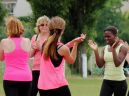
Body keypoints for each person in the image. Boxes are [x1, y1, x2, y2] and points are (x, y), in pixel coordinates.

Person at [30, 15, 86, 96]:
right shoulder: (61, 48)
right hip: (58, 86)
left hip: (43, 87)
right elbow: (71, 60)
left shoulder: (45, 44)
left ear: (50, 28)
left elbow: (57, 50)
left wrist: (72, 42)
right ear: (62, 30)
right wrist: (75, 45)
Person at [88, 26, 128, 96]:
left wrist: (113, 49)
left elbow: (117, 63)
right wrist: (96, 50)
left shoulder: (123, 48)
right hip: (107, 81)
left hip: (120, 83)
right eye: (105, 36)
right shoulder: (104, 48)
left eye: (108, 36)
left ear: (115, 36)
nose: (106, 38)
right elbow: (100, 65)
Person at [0, 16, 32, 96]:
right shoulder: (27, 41)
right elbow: (27, 56)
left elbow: (1, 58)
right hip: (26, 77)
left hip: (10, 77)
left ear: (8, 28)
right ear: (21, 27)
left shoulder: (4, 42)